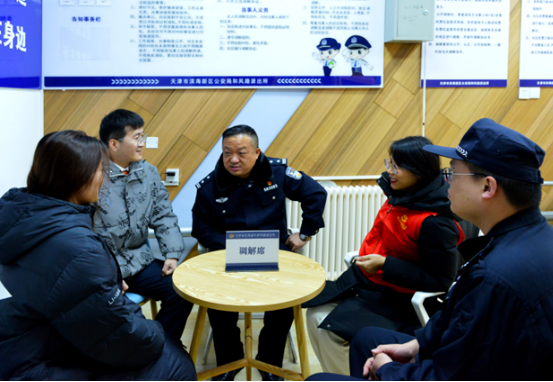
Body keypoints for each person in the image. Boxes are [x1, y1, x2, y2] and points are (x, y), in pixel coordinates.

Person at [310, 118, 553, 381]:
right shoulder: (541, 239)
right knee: (368, 339)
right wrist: (417, 346)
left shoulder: (495, 278)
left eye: (452, 174)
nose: (447, 183)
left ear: (487, 187)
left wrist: (387, 370)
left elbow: (451, 375)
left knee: (317, 379)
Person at [0, 130, 196, 380]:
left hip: (56, 312)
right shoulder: (78, 238)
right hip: (57, 333)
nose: (104, 178)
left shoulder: (26, 216)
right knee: (178, 363)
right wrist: (156, 332)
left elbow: (163, 215)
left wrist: (171, 253)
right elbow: (116, 325)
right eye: (101, 171)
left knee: (176, 292)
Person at [303, 136, 464, 375]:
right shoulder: (401, 195)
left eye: (398, 166)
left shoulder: (435, 222)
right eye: (390, 163)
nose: (390, 171)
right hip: (369, 284)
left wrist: (386, 264)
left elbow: (440, 281)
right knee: (314, 312)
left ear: (419, 171)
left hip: (398, 301)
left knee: (329, 331)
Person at [192, 124, 327, 381]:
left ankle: (269, 363)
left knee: (284, 304)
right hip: (229, 253)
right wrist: (228, 246)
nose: (233, 159)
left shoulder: (277, 173)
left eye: (241, 153)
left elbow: (316, 194)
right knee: (218, 306)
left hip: (273, 253)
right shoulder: (210, 186)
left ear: (256, 152)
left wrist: (305, 233)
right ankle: (230, 361)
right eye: (227, 153)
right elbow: (201, 228)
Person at [93, 109, 193, 341]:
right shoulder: (92, 175)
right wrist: (107, 274)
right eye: (137, 138)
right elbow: (83, 234)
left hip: (138, 261)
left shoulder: (147, 172)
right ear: (114, 144)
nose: (142, 143)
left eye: (143, 136)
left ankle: (162, 347)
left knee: (181, 292)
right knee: (115, 314)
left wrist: (172, 254)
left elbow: (163, 214)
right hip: (103, 268)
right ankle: (134, 352)